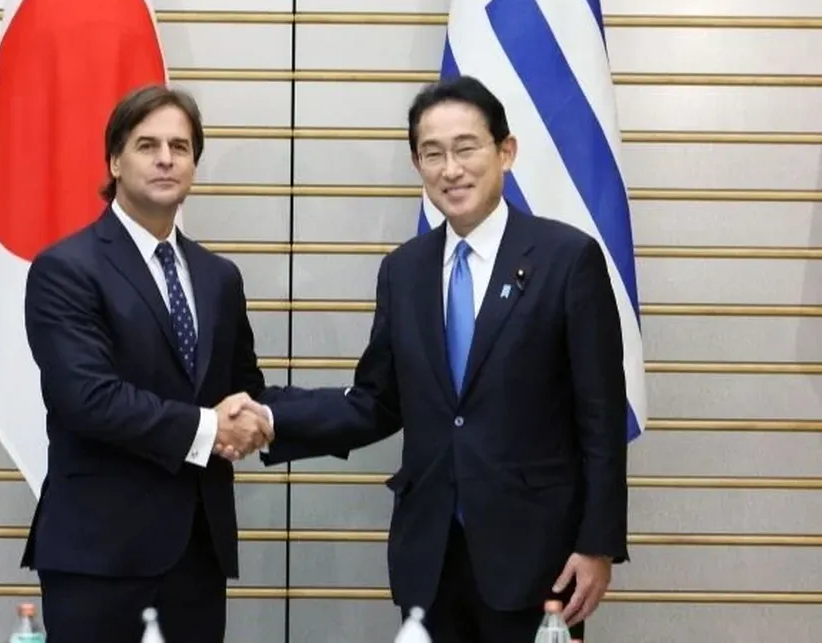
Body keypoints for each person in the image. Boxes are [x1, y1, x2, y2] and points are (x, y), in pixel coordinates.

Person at [237, 75, 630, 642]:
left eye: (467, 148)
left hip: (537, 555)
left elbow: (600, 413)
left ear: (506, 151)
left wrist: (598, 544)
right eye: (433, 153)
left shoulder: (566, 259)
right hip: (431, 555)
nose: (452, 169)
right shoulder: (405, 270)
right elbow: (378, 400)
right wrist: (271, 419)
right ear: (417, 164)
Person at [20, 83, 312, 643]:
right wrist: (209, 427)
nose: (164, 158)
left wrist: (347, 409)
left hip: (195, 556)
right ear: (114, 160)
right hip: (97, 557)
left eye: (180, 147)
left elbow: (244, 392)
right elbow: (85, 397)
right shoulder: (66, 268)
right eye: (147, 144)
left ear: (194, 165)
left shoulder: (218, 277)